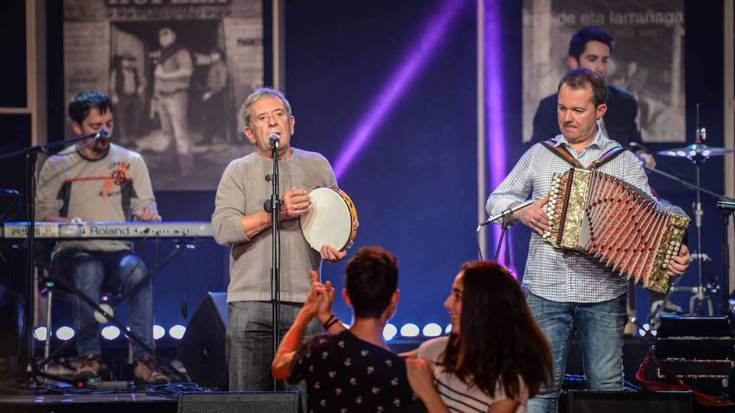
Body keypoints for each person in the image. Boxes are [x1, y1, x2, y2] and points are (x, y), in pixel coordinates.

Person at [486, 69, 691, 413]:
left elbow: (654, 217)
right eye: (563, 108)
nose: (567, 118)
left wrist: (673, 251)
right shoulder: (540, 155)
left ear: (600, 111)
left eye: (578, 110)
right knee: (538, 392)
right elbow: (496, 200)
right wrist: (521, 211)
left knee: (606, 391)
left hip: (603, 294)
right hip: (545, 289)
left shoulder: (622, 163)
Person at [211, 87, 346, 391]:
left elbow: (334, 221)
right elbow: (223, 229)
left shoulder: (317, 165)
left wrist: (334, 244)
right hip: (249, 302)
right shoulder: (237, 171)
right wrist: (276, 214)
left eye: (279, 114)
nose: (273, 123)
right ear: (250, 133)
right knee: (247, 401)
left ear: (292, 123)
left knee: (306, 398)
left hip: (304, 301)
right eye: (262, 118)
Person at [36, 90, 166, 384]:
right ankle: (88, 358)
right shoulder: (58, 164)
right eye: (96, 127)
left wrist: (146, 213)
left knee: (138, 271)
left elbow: (146, 206)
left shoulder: (131, 161)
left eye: (108, 123)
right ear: (77, 129)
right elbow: (42, 215)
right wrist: (69, 223)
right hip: (72, 252)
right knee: (88, 269)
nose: (104, 131)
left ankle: (145, 361)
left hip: (117, 251)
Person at [271, 246, 423, 413]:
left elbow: (278, 367)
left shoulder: (319, 351)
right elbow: (362, 349)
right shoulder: (402, 373)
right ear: (394, 298)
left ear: (346, 297)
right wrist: (327, 319)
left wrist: (306, 313)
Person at [404, 261, 553, 413]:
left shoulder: (510, 382)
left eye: (458, 296)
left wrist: (428, 393)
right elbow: (385, 361)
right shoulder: (434, 351)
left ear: (485, 307)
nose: (447, 303)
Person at [529, 27, 642, 151]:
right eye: (592, 59)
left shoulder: (625, 102)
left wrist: (643, 156)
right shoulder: (549, 107)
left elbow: (636, 147)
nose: (601, 68)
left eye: (605, 60)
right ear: (573, 62)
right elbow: (538, 156)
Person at [152, 27, 193, 173]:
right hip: (162, 97)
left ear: (174, 35)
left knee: (179, 132)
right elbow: (157, 78)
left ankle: (186, 168)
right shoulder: (163, 54)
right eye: (160, 35)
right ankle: (168, 166)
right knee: (167, 133)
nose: (162, 37)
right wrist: (156, 96)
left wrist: (164, 76)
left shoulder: (180, 52)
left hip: (176, 96)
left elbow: (187, 71)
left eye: (166, 33)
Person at [110, 53, 144, 147]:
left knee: (134, 118)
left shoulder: (134, 71)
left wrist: (140, 87)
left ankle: (132, 139)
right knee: (122, 118)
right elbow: (112, 85)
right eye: (125, 60)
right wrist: (114, 95)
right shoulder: (116, 72)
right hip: (122, 98)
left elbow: (140, 82)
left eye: (130, 61)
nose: (128, 63)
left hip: (134, 97)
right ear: (121, 62)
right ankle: (123, 140)